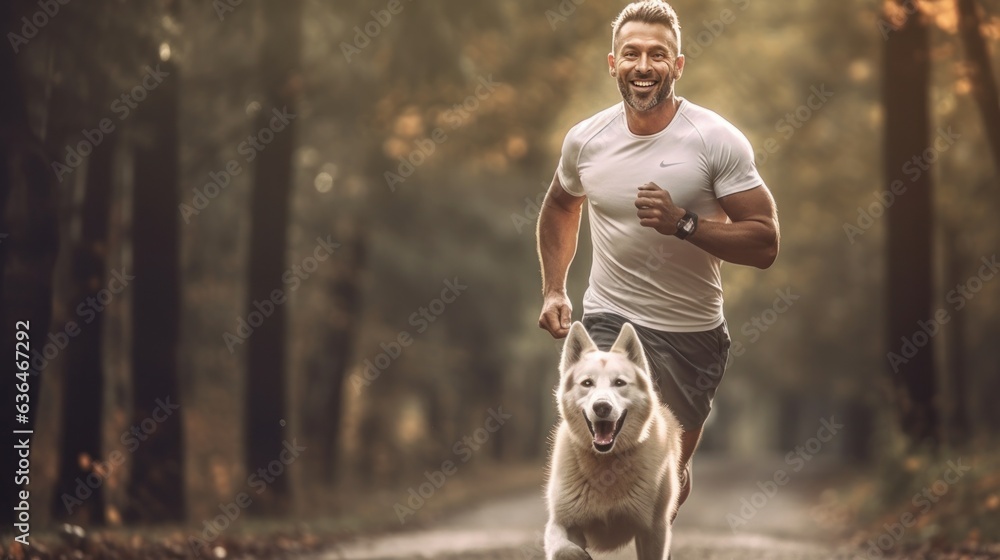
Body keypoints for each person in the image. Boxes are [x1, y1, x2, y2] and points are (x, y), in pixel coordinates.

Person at [536, 0, 779, 519]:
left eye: (657, 55)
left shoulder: (714, 140)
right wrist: (555, 288)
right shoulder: (587, 140)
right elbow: (560, 203)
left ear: (678, 64)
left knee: (664, 476)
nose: (643, 66)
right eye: (631, 54)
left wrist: (684, 224)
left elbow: (764, 242)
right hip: (609, 317)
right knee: (595, 457)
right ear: (612, 63)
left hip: (691, 333)